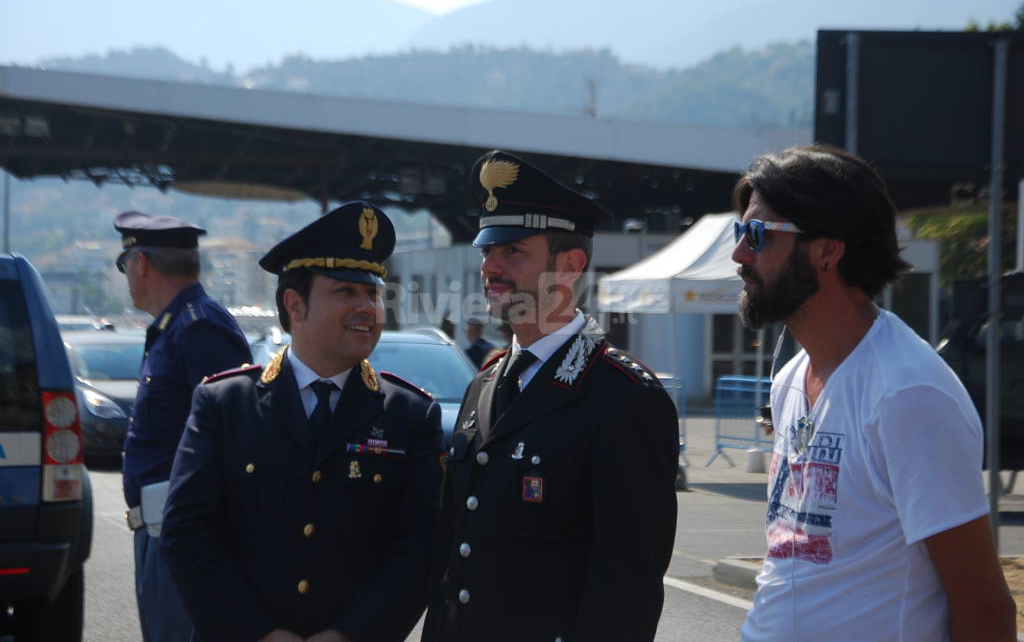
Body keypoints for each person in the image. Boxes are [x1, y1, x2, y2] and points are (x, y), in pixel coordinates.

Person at [732, 145, 1016, 641]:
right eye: (740, 232)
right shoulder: (789, 380)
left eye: (756, 234)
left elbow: (984, 606)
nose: (739, 254)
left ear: (826, 251)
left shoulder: (908, 393)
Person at [421, 150, 680, 642]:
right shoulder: (486, 382)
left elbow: (627, 589)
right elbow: (455, 555)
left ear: (570, 266)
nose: (490, 268)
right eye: (486, 252)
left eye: (512, 252)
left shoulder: (625, 400)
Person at [161, 202, 444, 642]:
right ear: (295, 304)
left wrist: (351, 634)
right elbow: (187, 534)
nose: (367, 307)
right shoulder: (224, 403)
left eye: (373, 294)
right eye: (346, 292)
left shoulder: (409, 414)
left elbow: (420, 547)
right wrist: (259, 633)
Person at [114, 211, 252, 642]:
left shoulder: (200, 326)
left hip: (185, 537)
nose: (127, 277)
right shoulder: (179, 325)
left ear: (141, 264)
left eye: (125, 266)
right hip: (163, 530)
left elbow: (237, 436)